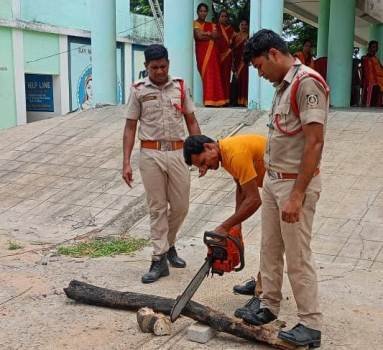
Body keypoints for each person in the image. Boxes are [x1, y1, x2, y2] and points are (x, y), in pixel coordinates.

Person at [242, 29, 329, 348]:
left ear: (274, 55)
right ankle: (269, 305)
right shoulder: (283, 86)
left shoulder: (307, 82)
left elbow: (315, 141)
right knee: (270, 247)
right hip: (274, 180)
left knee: (297, 254)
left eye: (259, 66)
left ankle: (310, 324)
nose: (259, 74)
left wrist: (296, 195)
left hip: (295, 184)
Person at [122, 44, 201, 284]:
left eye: (163, 66)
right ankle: (159, 259)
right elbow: (130, 127)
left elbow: (191, 120)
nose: (159, 71)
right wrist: (126, 162)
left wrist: (200, 153)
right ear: (146, 67)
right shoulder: (137, 91)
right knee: (157, 207)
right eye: (154, 67)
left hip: (178, 152)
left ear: (168, 63)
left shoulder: (180, 86)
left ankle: (170, 244)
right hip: (150, 153)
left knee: (180, 206)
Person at [183, 134, 266, 319]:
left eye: (203, 162)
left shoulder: (235, 153)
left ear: (209, 147)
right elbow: (241, 187)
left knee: (273, 244)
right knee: (272, 243)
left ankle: (265, 294)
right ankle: (266, 284)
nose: (205, 168)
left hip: (291, 185)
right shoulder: (226, 153)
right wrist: (236, 227)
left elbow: (254, 200)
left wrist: (224, 227)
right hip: (277, 185)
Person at [193, 3, 228, 107]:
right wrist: (209, 34)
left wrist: (205, 34)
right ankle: (208, 101)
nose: (203, 13)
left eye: (205, 11)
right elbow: (198, 36)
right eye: (201, 11)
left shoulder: (212, 25)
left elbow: (217, 35)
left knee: (215, 75)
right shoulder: (195, 23)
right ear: (197, 12)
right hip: (202, 54)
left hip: (213, 54)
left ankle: (217, 101)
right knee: (207, 76)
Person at [216, 9, 235, 103]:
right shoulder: (215, 28)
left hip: (227, 57)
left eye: (225, 16)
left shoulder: (230, 30)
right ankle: (218, 99)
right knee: (218, 78)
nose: (224, 18)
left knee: (226, 78)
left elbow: (233, 44)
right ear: (218, 18)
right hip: (217, 57)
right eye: (222, 16)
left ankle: (226, 99)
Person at [232, 18, 249, 106]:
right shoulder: (235, 37)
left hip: (246, 62)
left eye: (245, 25)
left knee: (245, 81)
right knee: (238, 82)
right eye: (242, 25)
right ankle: (238, 101)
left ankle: (245, 101)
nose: (244, 26)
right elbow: (232, 50)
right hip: (237, 62)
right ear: (239, 26)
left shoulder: (249, 37)